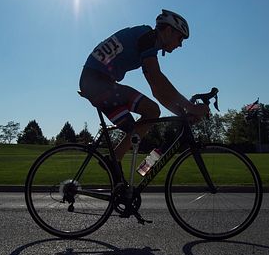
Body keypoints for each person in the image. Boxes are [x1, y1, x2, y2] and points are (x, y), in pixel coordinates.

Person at [79, 9, 209, 162]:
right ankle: (114, 159)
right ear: (168, 31)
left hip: (96, 82)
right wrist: (190, 106)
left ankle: (114, 161)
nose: (180, 45)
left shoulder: (146, 43)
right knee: (150, 113)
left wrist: (181, 113)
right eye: (180, 38)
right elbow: (158, 78)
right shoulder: (147, 37)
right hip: (97, 83)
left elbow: (157, 90)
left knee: (152, 111)